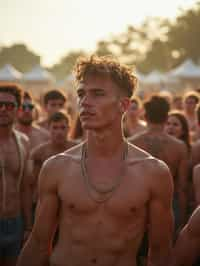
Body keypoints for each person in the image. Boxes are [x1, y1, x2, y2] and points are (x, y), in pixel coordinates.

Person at [17, 55, 173, 266]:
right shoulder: (57, 167)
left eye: (97, 94)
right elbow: (38, 243)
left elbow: (160, 252)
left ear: (124, 105)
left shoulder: (153, 172)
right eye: (81, 94)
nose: (85, 102)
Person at [129, 96, 188, 232]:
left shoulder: (132, 143)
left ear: (145, 116)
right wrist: (183, 220)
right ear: (167, 117)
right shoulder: (179, 147)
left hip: (137, 203)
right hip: (168, 202)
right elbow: (182, 188)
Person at [0, 84, 32, 266]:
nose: (3, 109)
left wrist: (28, 226)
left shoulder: (23, 142)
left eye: (9, 105)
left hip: (15, 221)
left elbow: (25, 187)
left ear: (18, 110)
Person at [30, 110, 75, 219]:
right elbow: (33, 184)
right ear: (48, 129)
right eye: (55, 128)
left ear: (69, 128)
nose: (59, 132)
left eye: (63, 128)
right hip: (46, 206)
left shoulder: (77, 151)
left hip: (72, 207)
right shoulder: (39, 153)